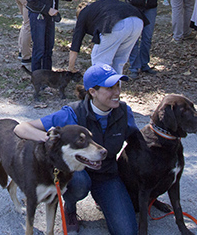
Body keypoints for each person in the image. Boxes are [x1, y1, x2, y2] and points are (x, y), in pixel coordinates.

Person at [14, 64, 139, 235]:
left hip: (107, 175)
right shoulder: (73, 113)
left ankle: (103, 199)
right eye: (110, 87)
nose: (117, 92)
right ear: (92, 92)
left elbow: (138, 142)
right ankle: (70, 208)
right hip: (77, 174)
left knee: (127, 232)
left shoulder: (124, 112)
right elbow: (21, 128)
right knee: (80, 183)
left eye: (118, 86)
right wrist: (49, 138)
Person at [68, 0, 145, 74]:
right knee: (118, 62)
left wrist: (71, 67)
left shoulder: (83, 14)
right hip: (137, 21)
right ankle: (116, 86)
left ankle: (103, 86)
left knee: (99, 62)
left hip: (117, 22)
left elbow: (75, 44)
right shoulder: (99, 7)